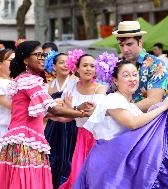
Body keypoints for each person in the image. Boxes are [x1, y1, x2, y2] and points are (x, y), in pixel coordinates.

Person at [74, 60, 168, 189]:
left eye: (134, 74)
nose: (132, 79)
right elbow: (132, 123)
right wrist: (162, 108)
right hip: (109, 165)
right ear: (115, 81)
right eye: (126, 75)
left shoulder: (131, 106)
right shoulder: (113, 98)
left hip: (120, 166)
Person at [0, 41, 93, 189]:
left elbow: (49, 113)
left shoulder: (22, 79)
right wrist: (81, 112)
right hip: (27, 142)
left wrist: (76, 109)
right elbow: (54, 109)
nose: (42, 58)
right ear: (25, 60)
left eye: (43, 55)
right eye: (37, 55)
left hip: (19, 141)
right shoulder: (30, 80)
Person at [59, 53, 107, 189]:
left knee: (95, 176)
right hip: (81, 135)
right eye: (84, 65)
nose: (88, 69)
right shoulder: (71, 86)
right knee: (77, 174)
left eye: (92, 66)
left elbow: (93, 113)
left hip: (98, 137)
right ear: (77, 68)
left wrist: (72, 109)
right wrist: (72, 110)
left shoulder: (100, 88)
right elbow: (64, 115)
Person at [113, 21, 168, 112]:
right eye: (121, 45)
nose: (125, 50)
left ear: (140, 42)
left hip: (153, 124)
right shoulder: (119, 65)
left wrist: (118, 112)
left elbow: (154, 101)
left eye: (129, 44)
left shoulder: (156, 64)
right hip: (125, 123)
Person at [44, 51, 78, 188]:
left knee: (69, 156)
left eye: (68, 62)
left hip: (71, 124)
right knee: (53, 157)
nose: (65, 65)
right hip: (53, 125)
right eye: (61, 62)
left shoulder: (76, 81)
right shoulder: (49, 85)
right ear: (54, 66)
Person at [0, 49, 14, 137]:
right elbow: (13, 106)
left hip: (14, 129)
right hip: (2, 129)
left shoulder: (16, 81)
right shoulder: (1, 83)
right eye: (11, 60)